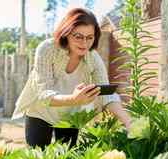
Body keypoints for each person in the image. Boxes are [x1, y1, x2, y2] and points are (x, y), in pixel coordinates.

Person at [12, 8, 131, 149]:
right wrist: (74, 99)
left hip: (69, 115)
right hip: (40, 112)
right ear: (66, 33)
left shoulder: (93, 58)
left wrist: (129, 123)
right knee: (38, 154)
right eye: (78, 36)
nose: (85, 43)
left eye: (90, 37)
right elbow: (43, 94)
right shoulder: (46, 49)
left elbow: (107, 96)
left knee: (68, 154)